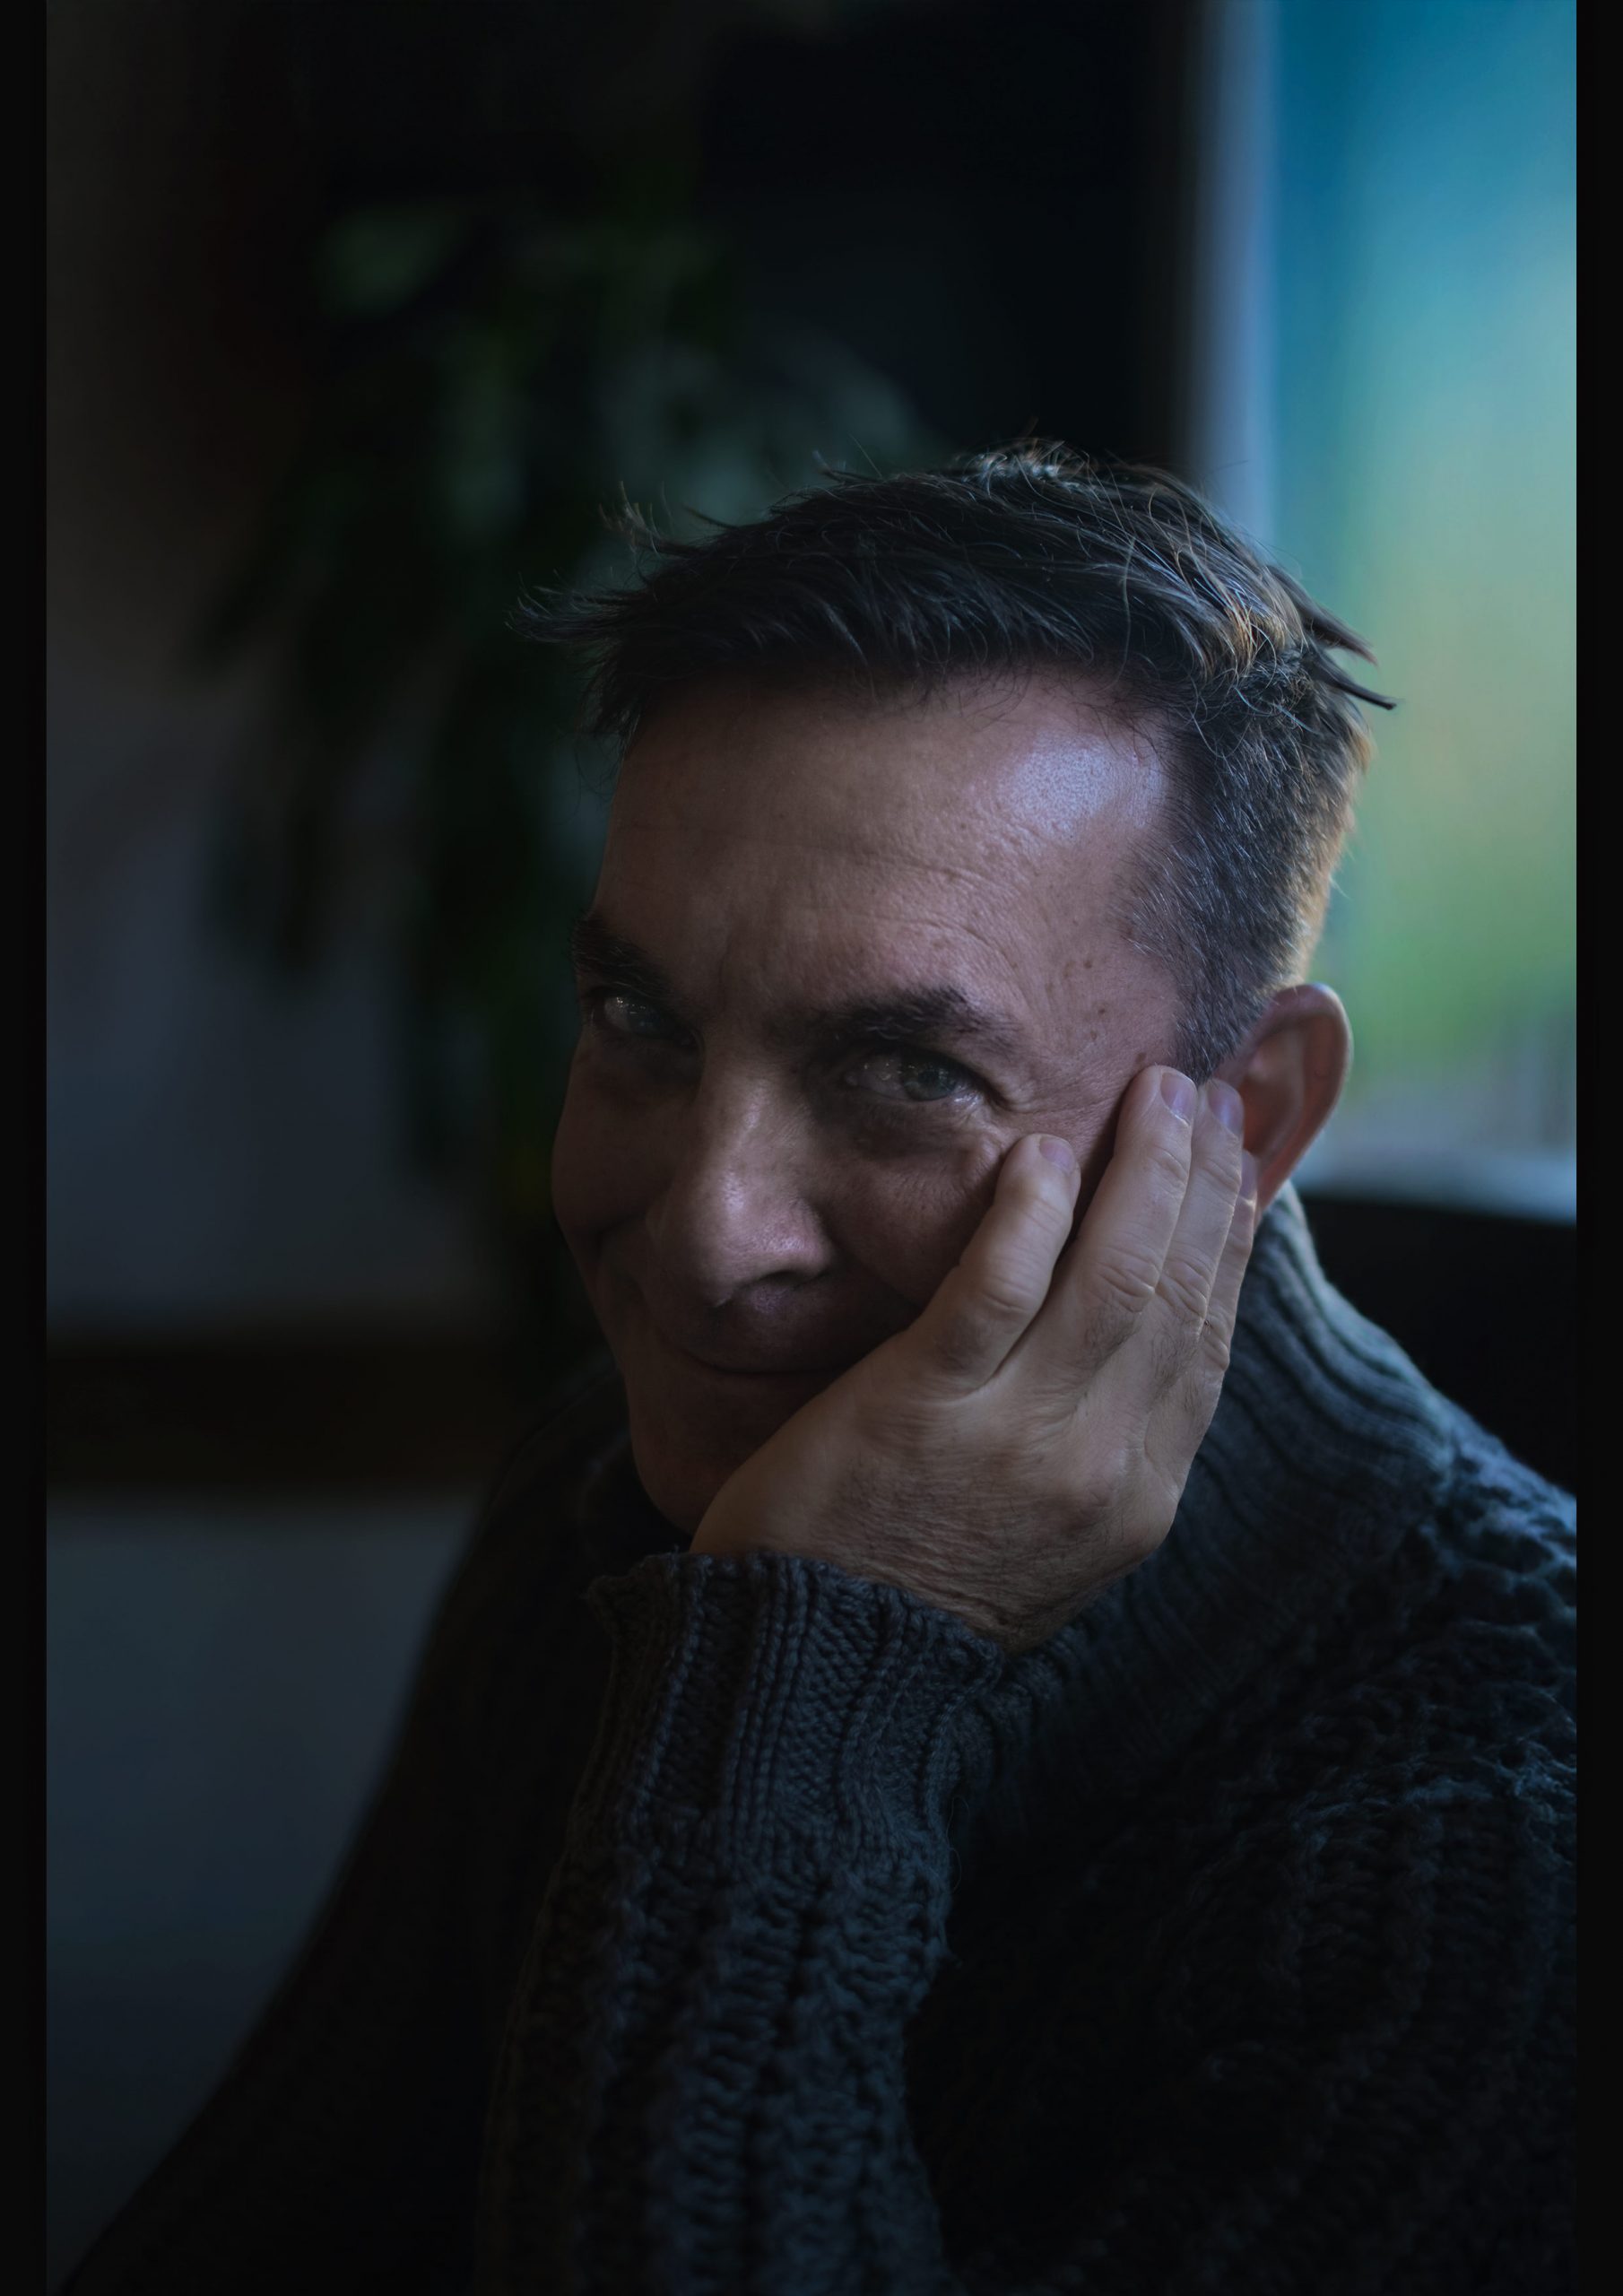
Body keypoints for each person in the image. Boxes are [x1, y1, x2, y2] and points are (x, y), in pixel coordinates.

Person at [65, 447, 1575, 2295]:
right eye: (638, 1019)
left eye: (905, 1072)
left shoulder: (1508, 1842)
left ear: (1244, 1117)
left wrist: (803, 1667)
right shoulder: (603, 1492)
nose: (706, 1236)